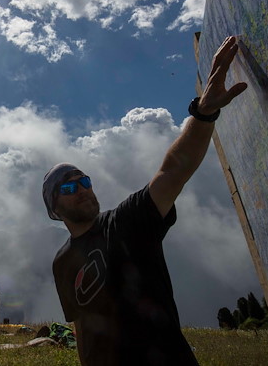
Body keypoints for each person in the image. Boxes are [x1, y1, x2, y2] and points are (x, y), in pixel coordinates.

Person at [44, 36, 247, 366]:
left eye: (83, 180)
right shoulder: (61, 261)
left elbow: (172, 171)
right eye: (67, 188)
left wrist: (204, 113)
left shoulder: (126, 222)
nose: (80, 188)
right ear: (54, 208)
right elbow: (81, 326)